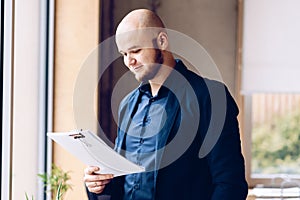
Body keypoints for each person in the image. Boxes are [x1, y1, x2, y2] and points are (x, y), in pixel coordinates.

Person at [84, 9, 248, 200]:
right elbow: (120, 183)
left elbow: (230, 185)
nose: (129, 61)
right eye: (124, 54)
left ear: (161, 41)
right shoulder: (127, 105)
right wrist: (98, 185)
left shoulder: (211, 97)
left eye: (136, 50)